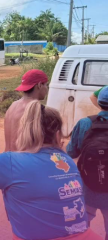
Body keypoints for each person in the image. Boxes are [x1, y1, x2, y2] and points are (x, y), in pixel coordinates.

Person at [0, 100, 102, 240]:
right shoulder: (65, 159)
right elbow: (32, 179)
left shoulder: (10, 162)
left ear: (24, 132)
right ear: (58, 135)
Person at [67, 87, 108, 240]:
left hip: (87, 187)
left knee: (81, 226)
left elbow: (72, 153)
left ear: (99, 102)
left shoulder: (84, 123)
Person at [4, 69, 49, 152]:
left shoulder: (13, 106)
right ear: (39, 85)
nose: (47, 89)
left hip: (8, 159)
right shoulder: (37, 110)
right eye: (46, 85)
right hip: (22, 162)